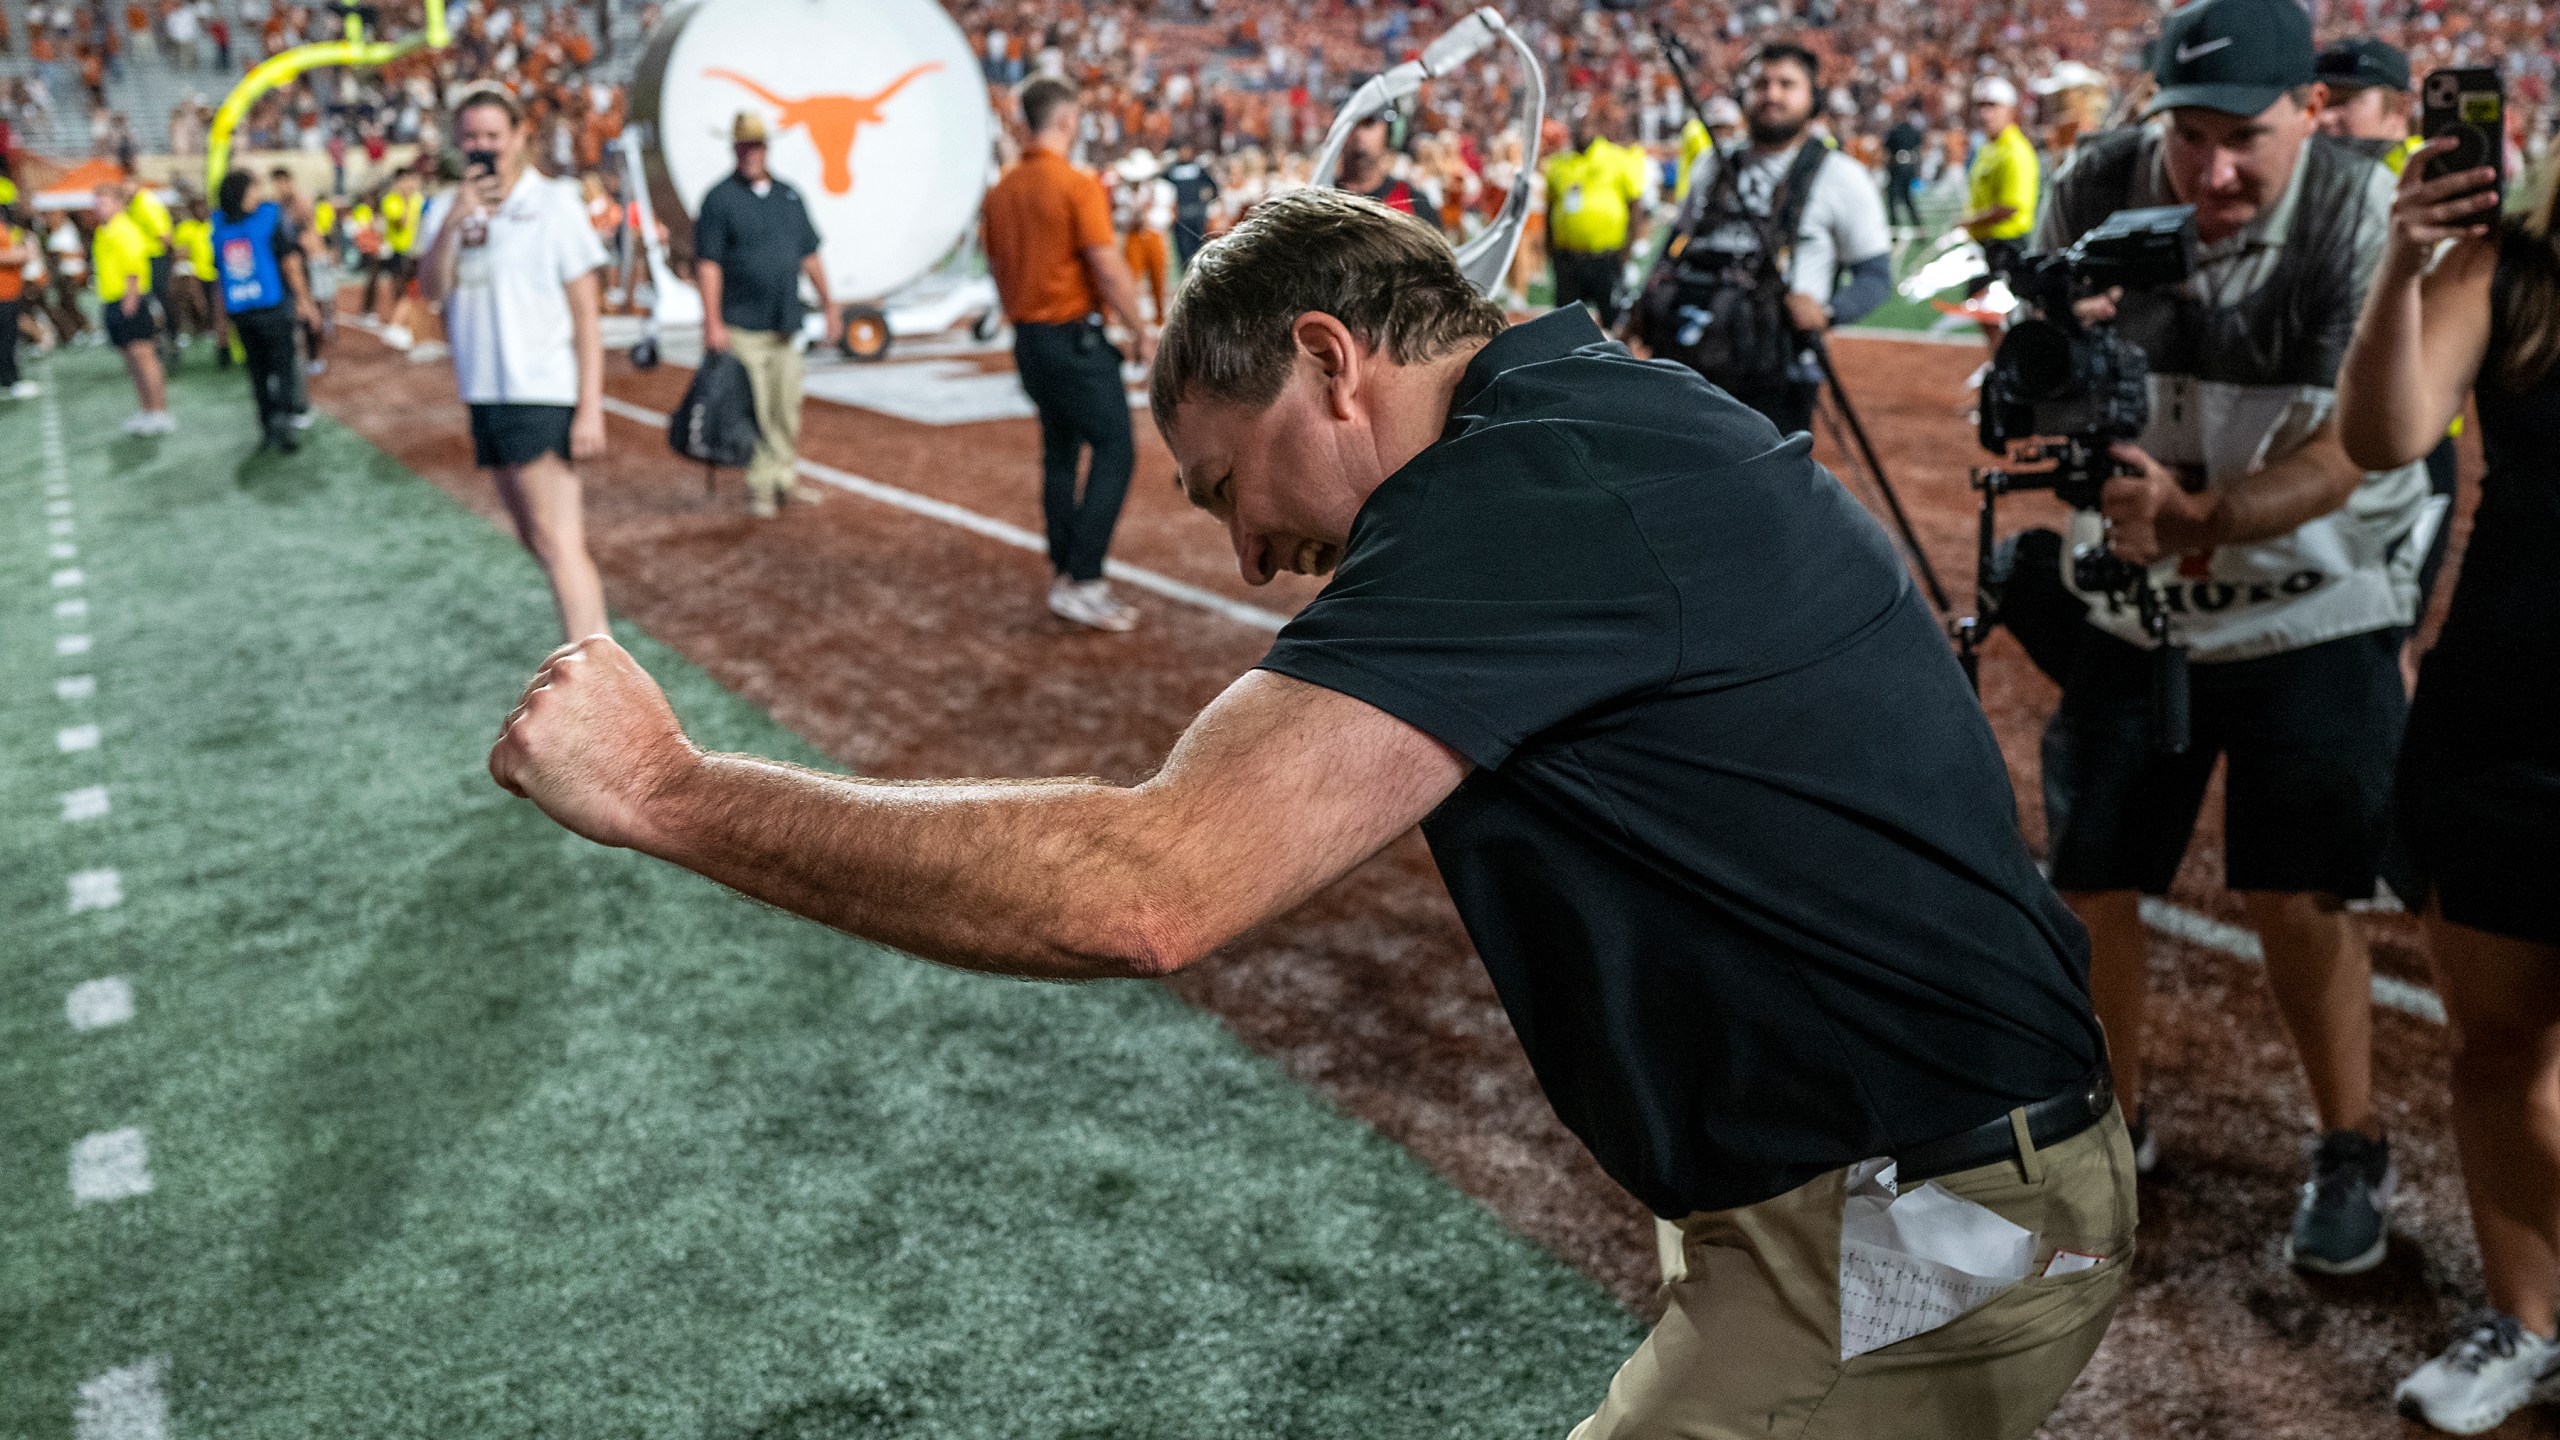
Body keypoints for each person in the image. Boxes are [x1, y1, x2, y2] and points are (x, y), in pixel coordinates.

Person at [488, 188, 2133, 1440]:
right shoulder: (1590, 422)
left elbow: (1148, 886)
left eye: (1221, 485)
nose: (1245, 551)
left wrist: (676, 794)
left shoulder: (1523, 494)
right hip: (1922, 1180)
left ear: (1330, 363)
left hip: (1931, 1217)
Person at [2024, 0, 2432, 1275]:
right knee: (2093, 871)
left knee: (2300, 888)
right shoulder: (2090, 183)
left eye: (2244, 139)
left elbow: (2358, 449)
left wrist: (2198, 516)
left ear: (2310, 111)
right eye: (2187, 136)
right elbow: (2034, 388)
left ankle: (2347, 1141)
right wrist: (2068, 393)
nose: (2211, 172)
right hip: (2130, 594)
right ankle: (2111, 1128)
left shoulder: (2365, 215)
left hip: (2317, 594)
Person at [2336, 132, 2560, 1436]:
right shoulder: (2510, 270)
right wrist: (2400, 262)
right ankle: (2527, 1317)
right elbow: (2386, 433)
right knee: (2497, 1046)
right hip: (2502, 729)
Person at [420, 87, 611, 644]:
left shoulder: (554, 203)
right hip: (485, 390)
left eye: (492, 136)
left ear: (519, 137)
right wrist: (456, 219)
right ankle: (600, 653)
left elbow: (586, 314)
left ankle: (592, 677)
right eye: (472, 137)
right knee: (536, 538)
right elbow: (432, 289)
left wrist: (590, 408)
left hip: (541, 388)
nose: (482, 148)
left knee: (558, 541)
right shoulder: (445, 209)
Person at [1638, 41, 1894, 437]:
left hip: (1776, 373)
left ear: (1814, 98)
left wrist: (1827, 313)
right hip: (1686, 358)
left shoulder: (1841, 176)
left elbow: (1875, 276)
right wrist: (1645, 300)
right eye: (1761, 83)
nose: (1771, 94)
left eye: (1786, 84)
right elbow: (1675, 245)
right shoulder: (1713, 164)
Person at [980, 76, 1155, 633]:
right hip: (1074, 338)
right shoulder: (1076, 185)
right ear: (1068, 121)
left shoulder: (1000, 192)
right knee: (1115, 448)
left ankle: (1066, 572)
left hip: (1030, 342)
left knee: (1059, 453)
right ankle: (1084, 578)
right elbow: (1105, 265)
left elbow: (998, 270)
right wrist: (1141, 328)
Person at [2318, 35, 2458, 672]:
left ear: (2400, 112)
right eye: (2321, 100)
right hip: (2325, 433)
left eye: (2349, 101)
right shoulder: (2322, 187)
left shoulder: (2433, 192)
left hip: (2412, 448)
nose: (2328, 117)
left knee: (2380, 636)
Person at [694, 108, 840, 519]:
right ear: (734, 148)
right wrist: (713, 321)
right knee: (753, 405)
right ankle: (761, 481)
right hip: (742, 323)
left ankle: (784, 477)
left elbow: (809, 253)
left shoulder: (789, 196)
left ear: (765, 148)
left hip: (784, 323)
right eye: (743, 145)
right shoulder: (719, 200)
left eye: (755, 144)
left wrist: (830, 302)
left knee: (784, 404)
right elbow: (709, 264)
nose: (749, 152)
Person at [209, 168, 317, 452]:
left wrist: (220, 323)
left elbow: (220, 276)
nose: (258, 193)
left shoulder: (218, 225)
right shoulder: (268, 217)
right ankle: (284, 426)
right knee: (283, 368)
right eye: (253, 188)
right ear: (243, 193)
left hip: (241, 313)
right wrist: (305, 301)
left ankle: (268, 426)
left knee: (256, 372)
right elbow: (290, 263)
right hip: (272, 307)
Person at [1541, 114, 1649, 330]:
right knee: (1564, 325)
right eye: (1577, 125)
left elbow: (1634, 203)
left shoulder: (1616, 158)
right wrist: (1549, 247)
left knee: (1613, 320)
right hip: (1568, 258)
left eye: (1587, 124)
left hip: (1606, 256)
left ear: (1598, 126)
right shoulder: (1559, 164)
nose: (1582, 131)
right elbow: (1551, 207)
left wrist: (1629, 247)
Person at [93, 175, 171, 433]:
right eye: (97, 202)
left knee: (144, 355)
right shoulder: (103, 232)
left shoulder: (126, 229)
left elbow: (134, 268)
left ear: (118, 203)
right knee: (131, 359)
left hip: (130, 301)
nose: (98, 207)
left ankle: (160, 412)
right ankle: (146, 409)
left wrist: (131, 299)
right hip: (111, 300)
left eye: (103, 202)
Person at [1958, 77, 2038, 247]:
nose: (1984, 114)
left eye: (1993, 106)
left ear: (2011, 111)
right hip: (1986, 243)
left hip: (2007, 245)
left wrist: (1968, 222)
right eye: (1981, 106)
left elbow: (2010, 206)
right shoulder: (1988, 147)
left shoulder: (2016, 150)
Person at [1334, 109, 1416, 214]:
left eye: (1369, 123)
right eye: (1351, 124)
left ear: (1389, 133)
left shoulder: (1413, 203)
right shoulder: (1321, 201)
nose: (1359, 134)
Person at [1162, 143, 1218, 271]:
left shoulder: (1197, 168)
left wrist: (1209, 201)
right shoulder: (1172, 170)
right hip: (1181, 214)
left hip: (1197, 213)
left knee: (1198, 245)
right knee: (1183, 248)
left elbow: (1212, 185)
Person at [0, 206, 32, 397]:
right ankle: (9, 381)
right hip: (2, 295)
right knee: (6, 339)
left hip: (9, 292)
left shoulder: (6, 224)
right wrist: (19, 254)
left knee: (9, 338)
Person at [1882, 106, 1927, 236]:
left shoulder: (1896, 130)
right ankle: (1917, 226)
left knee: (1894, 197)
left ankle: (1896, 226)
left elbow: (1888, 149)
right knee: (1905, 197)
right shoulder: (1912, 130)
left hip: (1899, 166)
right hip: (1908, 166)